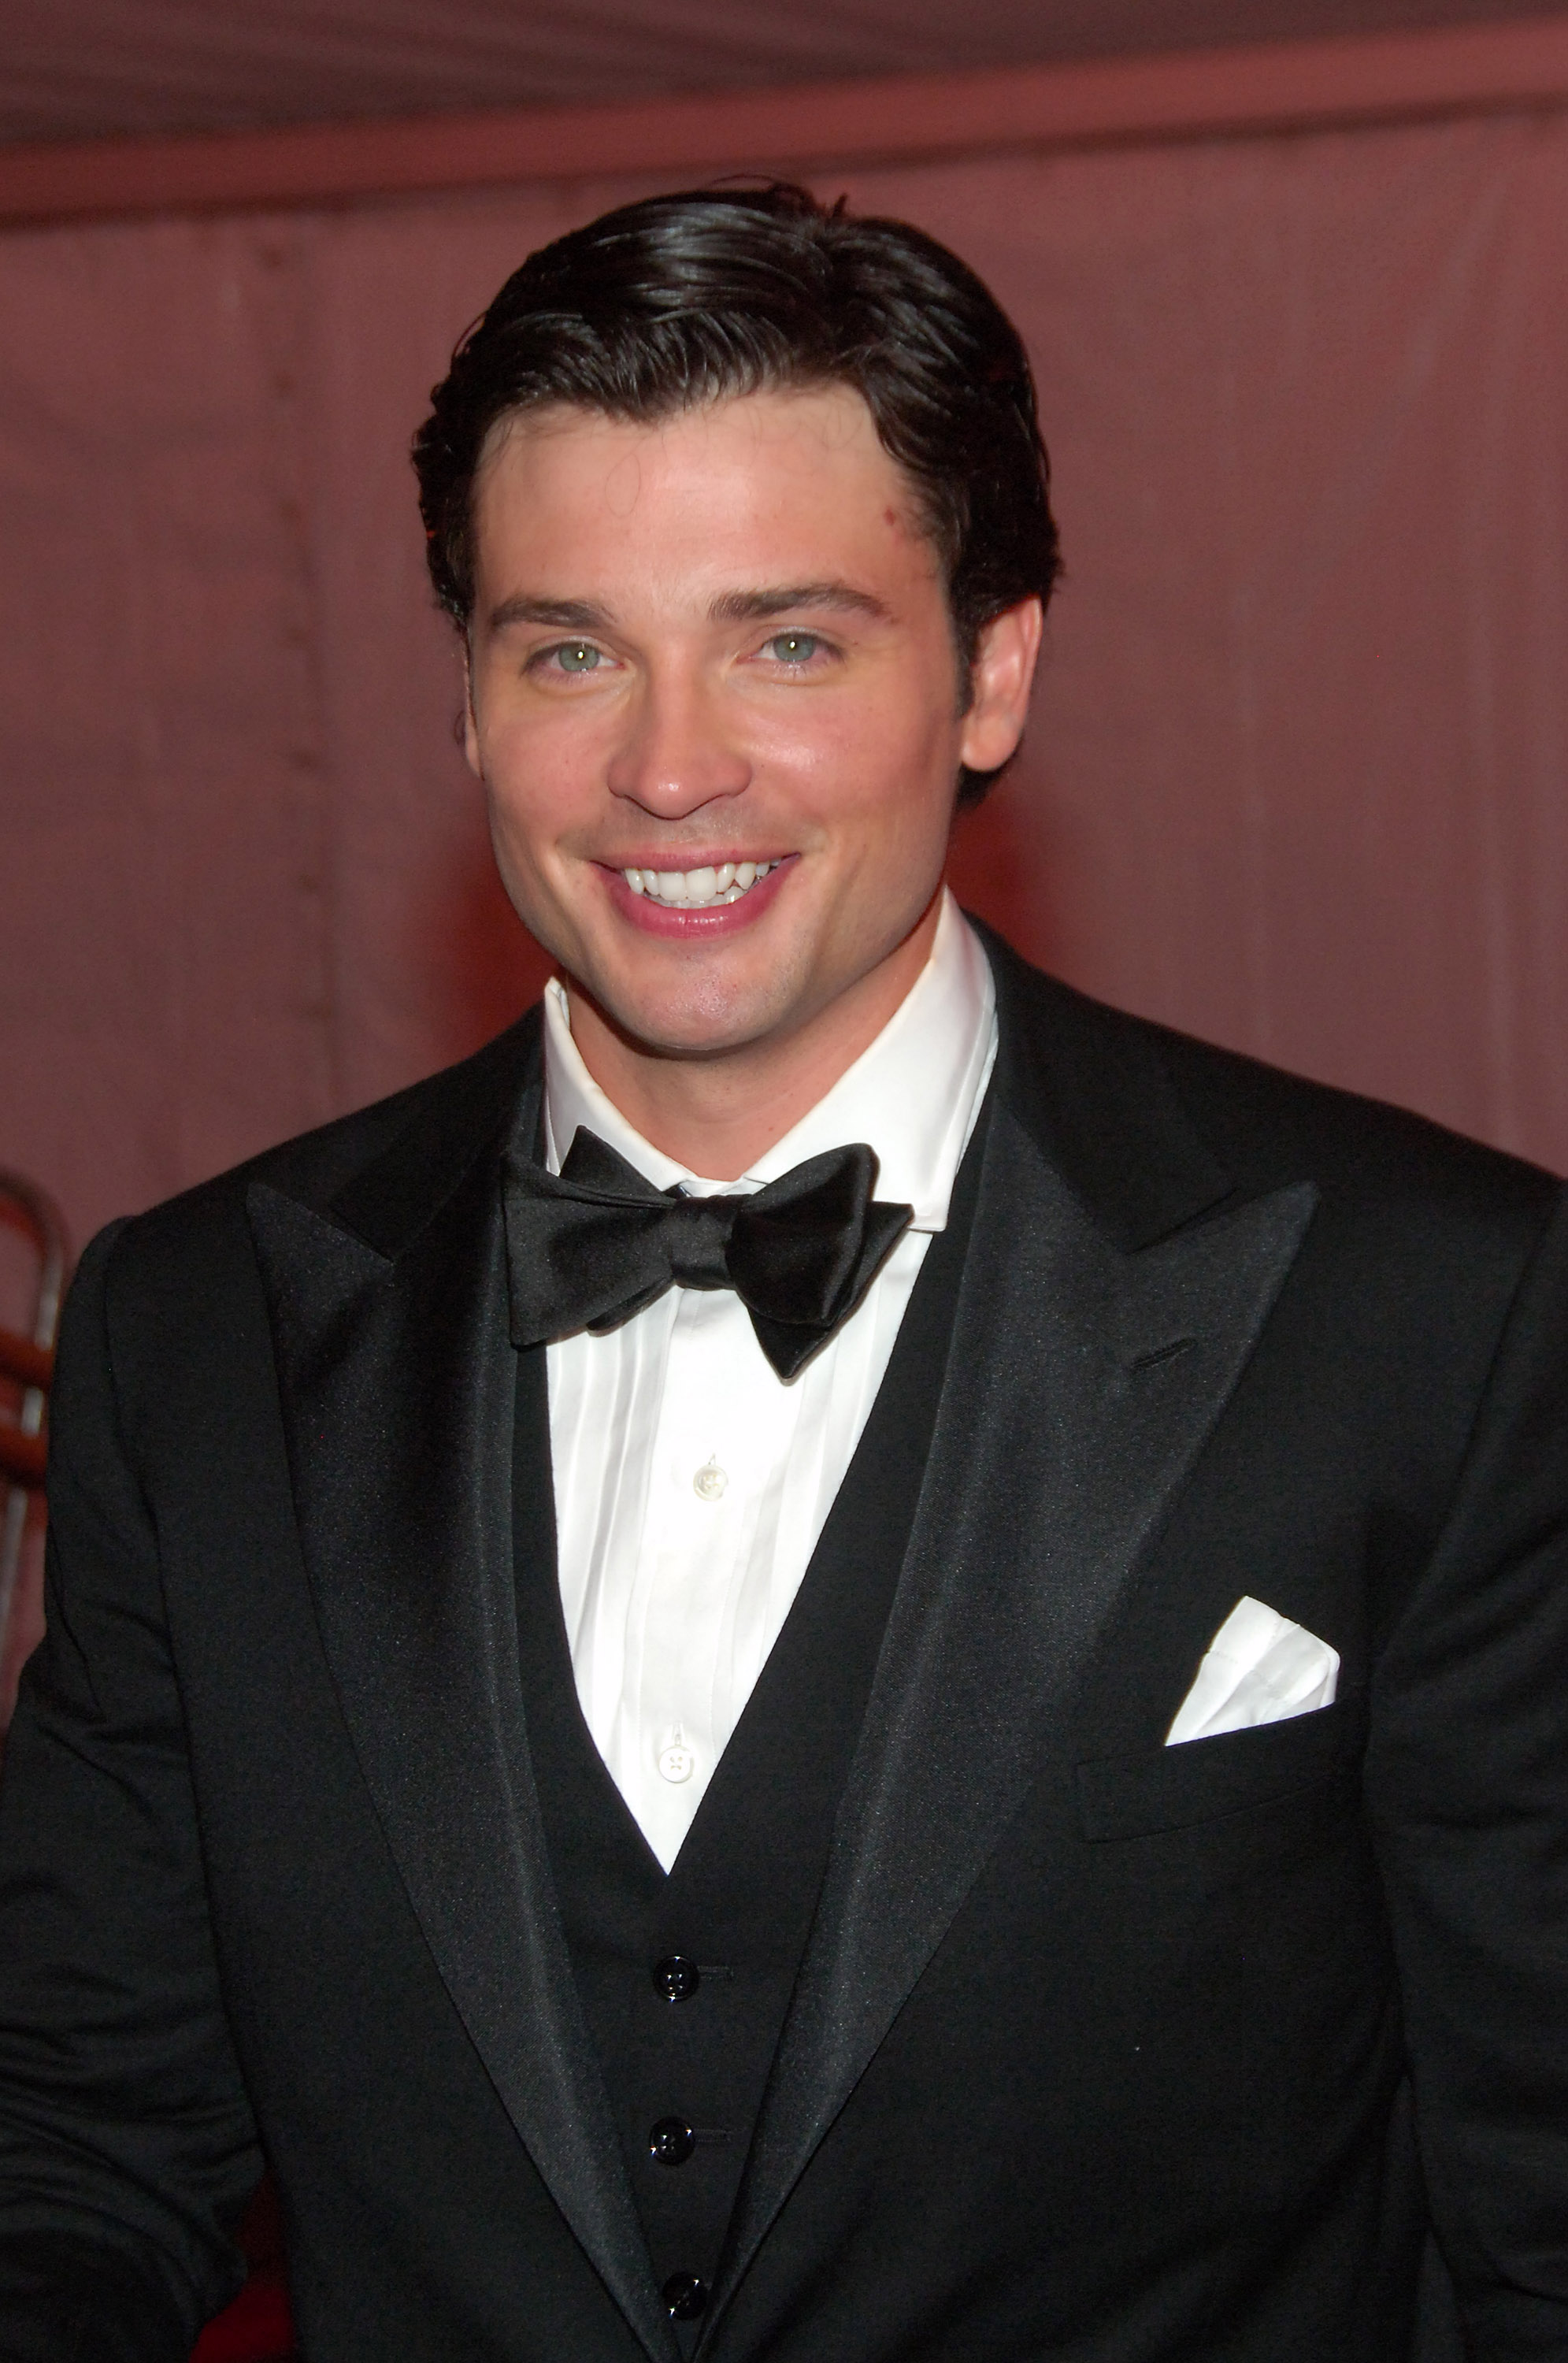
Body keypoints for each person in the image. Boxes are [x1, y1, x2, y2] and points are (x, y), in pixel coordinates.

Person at [1, 181, 1565, 2363]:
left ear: (996, 665)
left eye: (790, 642)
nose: (667, 767)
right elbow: (72, 2144)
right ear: (464, 698)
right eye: (571, 650)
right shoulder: (197, 1338)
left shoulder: (1439, 1317)